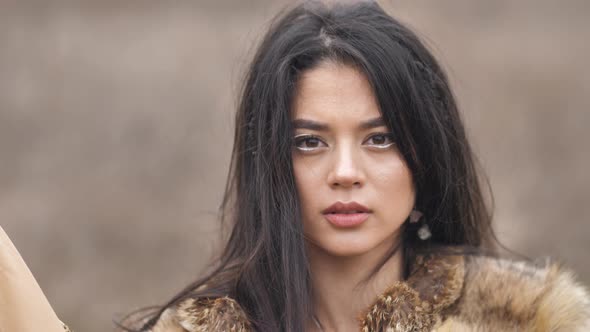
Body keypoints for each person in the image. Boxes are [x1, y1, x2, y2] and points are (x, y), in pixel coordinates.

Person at [0, 1, 588, 332]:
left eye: (380, 139)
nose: (345, 171)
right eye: (308, 143)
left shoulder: (529, 323)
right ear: (271, 166)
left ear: (425, 153)